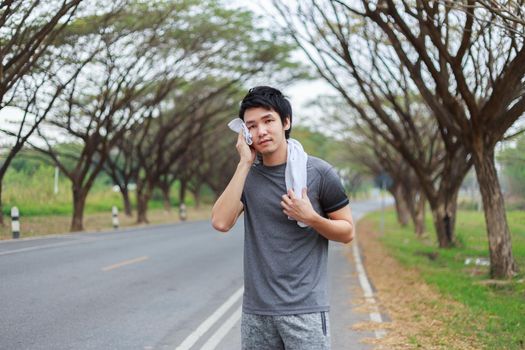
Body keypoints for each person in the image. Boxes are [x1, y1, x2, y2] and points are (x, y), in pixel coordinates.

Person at [211, 86, 354, 350]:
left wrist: (311, 217)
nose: (261, 131)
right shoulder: (248, 176)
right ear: (245, 133)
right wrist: (244, 163)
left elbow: (347, 232)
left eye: (268, 121)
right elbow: (220, 222)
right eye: (252, 126)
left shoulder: (319, 173)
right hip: (257, 313)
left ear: (285, 122)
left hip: (306, 310)